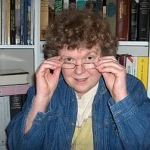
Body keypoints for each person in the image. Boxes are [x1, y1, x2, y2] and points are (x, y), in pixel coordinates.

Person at [7, 8, 150, 150]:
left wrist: (120, 98)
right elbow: (18, 146)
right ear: (57, 60)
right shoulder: (44, 88)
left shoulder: (130, 87)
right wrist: (43, 98)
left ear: (105, 56)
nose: (79, 71)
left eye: (89, 58)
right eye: (69, 59)